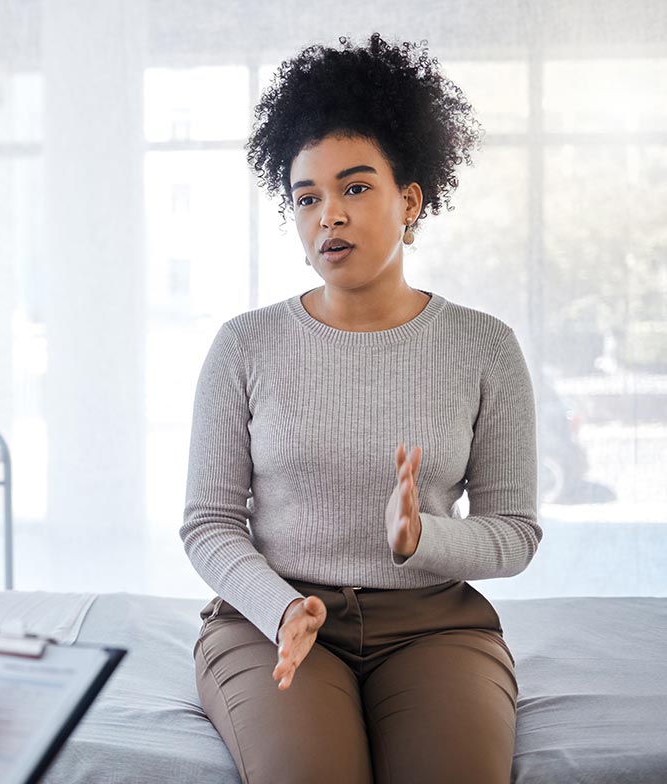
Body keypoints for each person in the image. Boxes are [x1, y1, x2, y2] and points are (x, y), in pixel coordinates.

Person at [181, 34, 541, 784]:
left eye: (353, 188)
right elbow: (208, 525)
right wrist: (279, 609)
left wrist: (422, 539)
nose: (328, 216)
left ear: (409, 200)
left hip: (433, 626)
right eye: (306, 197)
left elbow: (514, 534)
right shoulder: (244, 346)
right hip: (272, 624)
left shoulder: (484, 347)